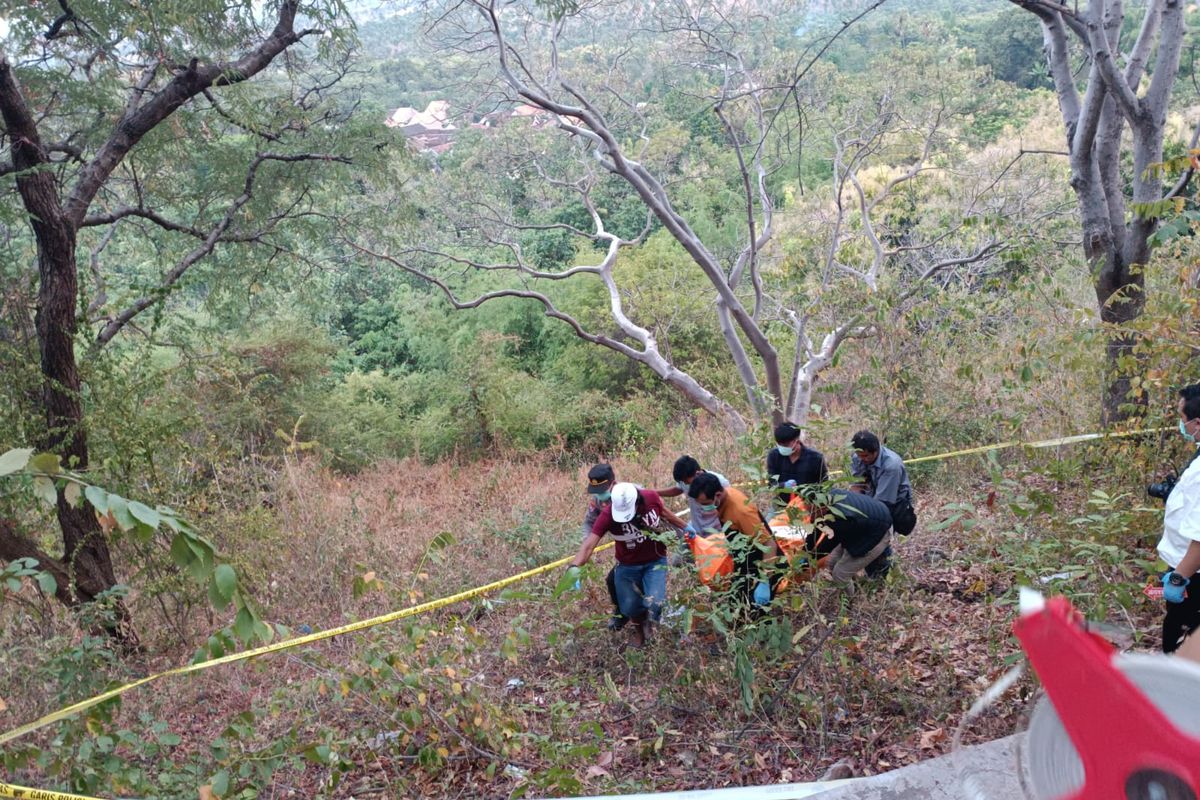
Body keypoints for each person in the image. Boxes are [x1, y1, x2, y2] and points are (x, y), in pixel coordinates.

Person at [572, 482, 689, 648]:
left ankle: (676, 625)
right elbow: (589, 544)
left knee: (656, 603)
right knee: (629, 607)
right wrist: (574, 567)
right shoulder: (607, 514)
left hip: (655, 561)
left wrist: (687, 528)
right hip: (627, 566)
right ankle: (640, 630)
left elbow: (666, 514)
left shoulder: (651, 498)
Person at [688, 473, 779, 607]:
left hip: (762, 565)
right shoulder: (723, 499)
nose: (703, 508)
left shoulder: (741, 511)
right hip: (745, 563)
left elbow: (769, 543)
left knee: (754, 613)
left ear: (717, 495)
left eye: (706, 504)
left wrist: (764, 580)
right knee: (736, 607)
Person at [1156, 386, 1200, 654]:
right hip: (1187, 570)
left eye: (1182, 418)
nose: (1180, 425)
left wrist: (1178, 579)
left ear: (1197, 423)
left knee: (1180, 649)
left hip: (1192, 578)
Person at [807, 488, 893, 587]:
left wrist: (808, 560)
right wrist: (806, 550)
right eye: (809, 510)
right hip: (862, 524)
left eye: (813, 511)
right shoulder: (828, 496)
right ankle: (855, 587)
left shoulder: (840, 518)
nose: (810, 514)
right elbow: (816, 528)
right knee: (832, 562)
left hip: (879, 530)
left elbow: (828, 544)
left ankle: (850, 601)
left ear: (824, 508)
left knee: (840, 574)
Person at [581, 464, 627, 631]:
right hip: (623, 550)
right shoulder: (597, 501)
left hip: (642, 545)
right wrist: (587, 543)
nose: (600, 494)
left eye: (602, 489)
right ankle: (620, 613)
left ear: (613, 483)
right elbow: (589, 522)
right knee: (612, 580)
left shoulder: (629, 493)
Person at [656, 456, 731, 538]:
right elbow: (678, 489)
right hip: (696, 527)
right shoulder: (686, 482)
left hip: (715, 531)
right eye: (683, 482)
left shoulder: (719, 481)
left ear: (697, 473)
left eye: (687, 482)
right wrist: (654, 493)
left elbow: (728, 503)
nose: (686, 484)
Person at [767, 422, 829, 510]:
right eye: (779, 444)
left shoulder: (815, 458)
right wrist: (784, 485)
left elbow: (824, 485)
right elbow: (771, 484)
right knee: (767, 523)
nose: (782, 447)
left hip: (808, 505)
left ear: (796, 441)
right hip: (782, 505)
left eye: (785, 445)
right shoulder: (774, 456)